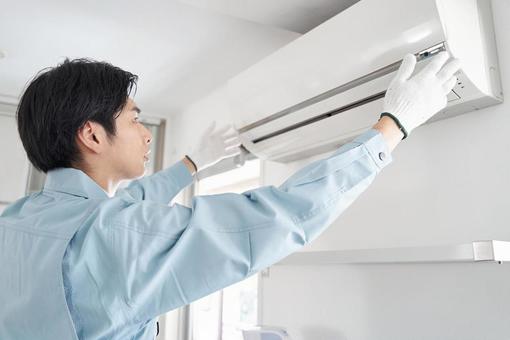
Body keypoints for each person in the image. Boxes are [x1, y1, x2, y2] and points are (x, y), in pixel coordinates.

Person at [0, 52, 460, 339]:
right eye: (135, 119)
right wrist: (392, 127)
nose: (144, 134)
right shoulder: (113, 236)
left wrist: (192, 165)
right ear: (92, 136)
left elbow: (130, 204)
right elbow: (276, 218)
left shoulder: (18, 221)